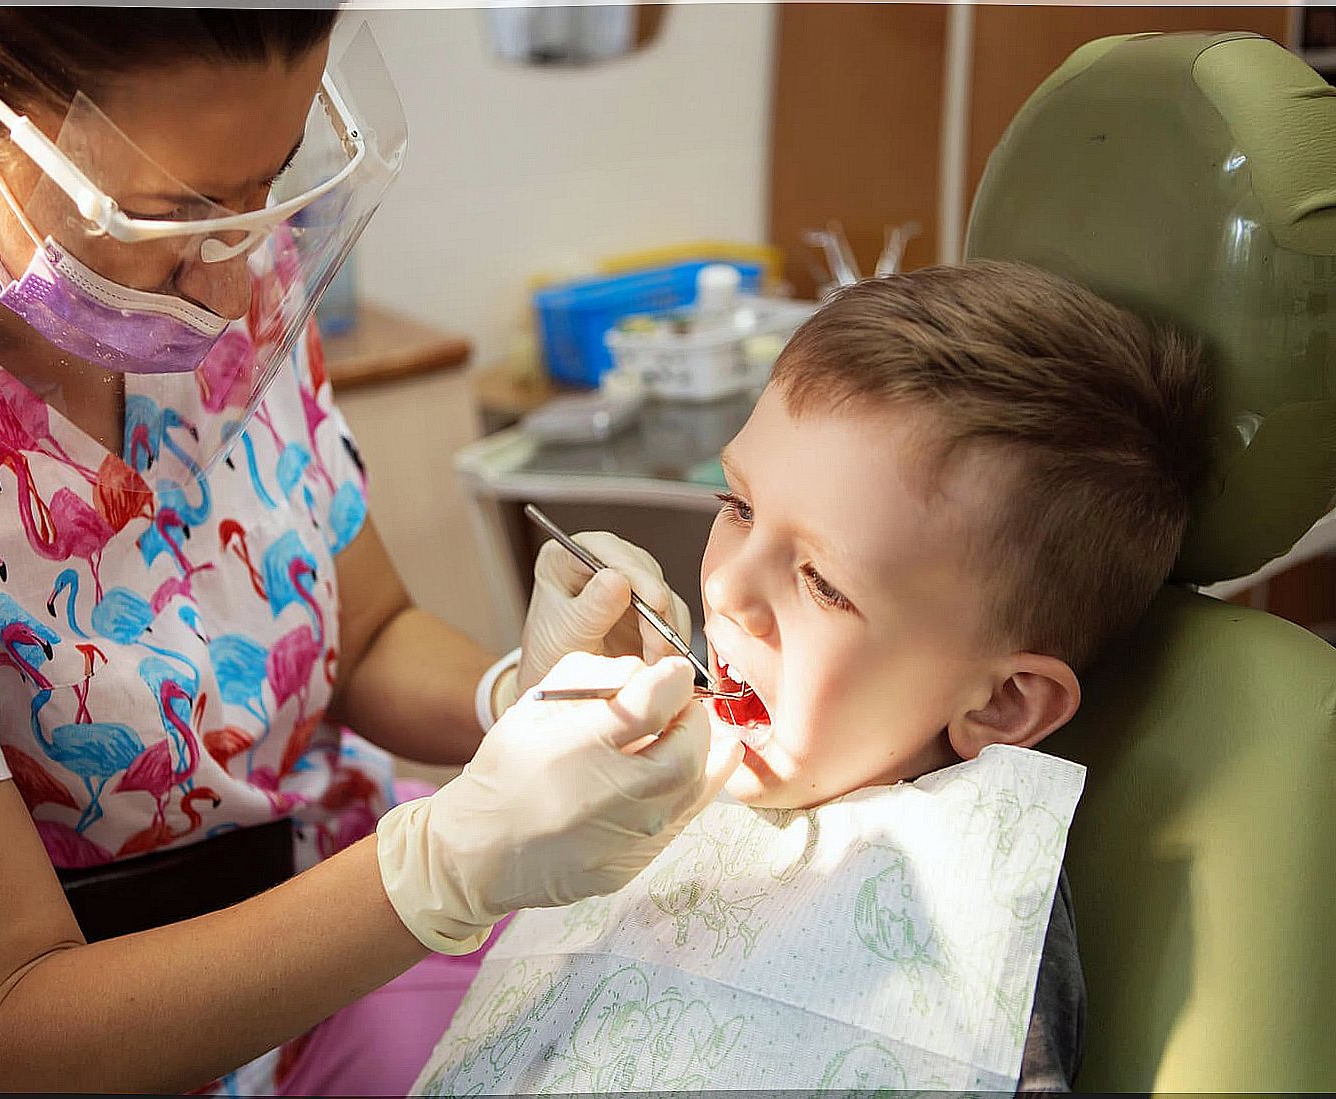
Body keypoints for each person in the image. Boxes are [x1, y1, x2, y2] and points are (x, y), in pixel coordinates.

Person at [0, 7, 740, 1093]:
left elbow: (366, 633)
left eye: (267, 187)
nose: (233, 283)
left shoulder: (230, 273)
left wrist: (521, 696)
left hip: (349, 933)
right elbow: (13, 1022)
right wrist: (441, 865)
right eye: (165, 217)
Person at [413, 261, 1210, 1093]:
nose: (722, 587)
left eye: (823, 583)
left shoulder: (974, 926)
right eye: (737, 504)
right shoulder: (647, 788)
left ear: (1004, 702)